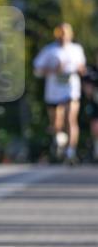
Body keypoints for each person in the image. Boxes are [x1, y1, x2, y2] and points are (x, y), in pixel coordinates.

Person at [33, 23, 86, 164]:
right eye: (61, 34)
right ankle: (60, 139)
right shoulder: (50, 50)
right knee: (56, 124)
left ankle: (71, 152)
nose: (63, 37)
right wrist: (53, 70)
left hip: (71, 90)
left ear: (70, 34)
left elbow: (82, 68)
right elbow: (37, 70)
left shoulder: (76, 49)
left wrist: (78, 69)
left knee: (71, 118)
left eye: (66, 33)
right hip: (54, 92)